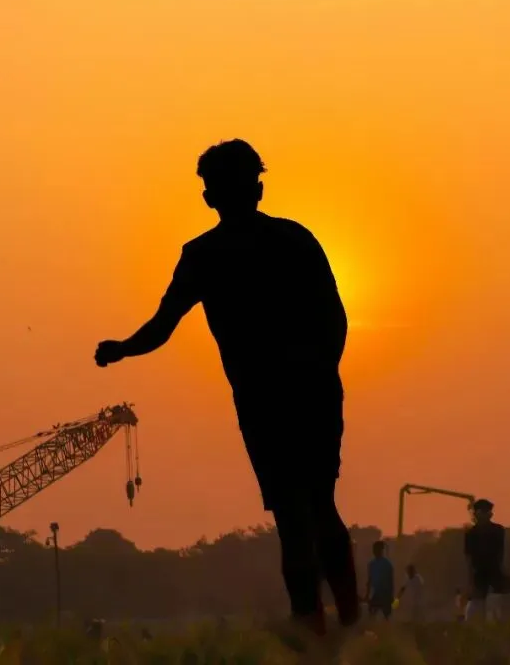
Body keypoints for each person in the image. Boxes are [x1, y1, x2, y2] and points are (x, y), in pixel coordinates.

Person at [93, 139, 358, 635]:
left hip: (264, 402)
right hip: (313, 392)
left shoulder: (204, 255)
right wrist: (319, 373)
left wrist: (122, 348)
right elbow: (335, 319)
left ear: (208, 197)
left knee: (292, 515)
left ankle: (313, 629)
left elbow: (162, 327)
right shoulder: (294, 239)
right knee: (319, 505)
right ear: (258, 190)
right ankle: (348, 624)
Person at [463, 499, 510, 620]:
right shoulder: (471, 533)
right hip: (479, 573)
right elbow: (469, 558)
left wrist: (505, 570)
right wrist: (470, 581)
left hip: (495, 570)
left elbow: (501, 553)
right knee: (475, 606)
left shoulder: (497, 530)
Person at [365, 541, 395, 621]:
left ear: (381, 550)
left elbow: (390, 581)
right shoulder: (372, 564)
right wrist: (367, 595)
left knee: (386, 615)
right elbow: (370, 580)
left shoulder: (387, 564)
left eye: (377, 549)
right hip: (377, 593)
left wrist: (391, 595)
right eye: (374, 549)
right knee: (372, 611)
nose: (375, 551)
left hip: (385, 593)